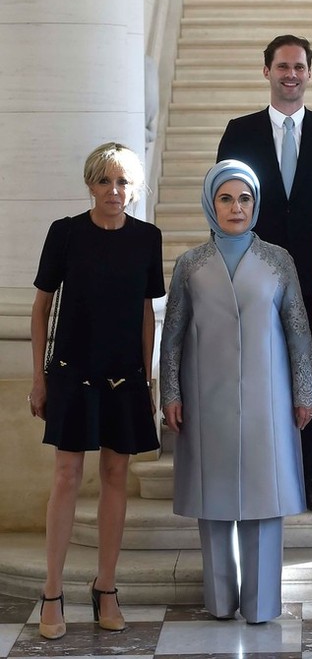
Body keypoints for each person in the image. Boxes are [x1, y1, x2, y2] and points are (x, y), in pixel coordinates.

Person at [160, 160, 312, 624]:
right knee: (214, 502)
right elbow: (171, 335)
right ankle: (220, 600)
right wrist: (170, 391)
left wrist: (304, 390)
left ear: (256, 203)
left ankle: (262, 604)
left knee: (265, 499)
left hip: (268, 396)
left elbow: (298, 331)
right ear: (211, 203)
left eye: (244, 198)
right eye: (226, 198)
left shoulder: (278, 259)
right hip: (205, 396)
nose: (236, 207)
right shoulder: (190, 264)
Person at [29, 142, 164, 639]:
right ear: (90, 183)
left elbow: (149, 311)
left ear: (135, 189)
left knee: (115, 473)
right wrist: (39, 378)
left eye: (124, 182)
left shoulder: (147, 237)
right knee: (66, 475)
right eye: (106, 180)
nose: (115, 190)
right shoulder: (64, 234)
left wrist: (147, 379)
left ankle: (106, 587)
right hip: (70, 370)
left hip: (124, 374)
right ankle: (52, 591)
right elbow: (41, 308)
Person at [216, 34, 312, 513]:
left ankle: (306, 475)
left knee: (307, 370)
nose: (290, 74)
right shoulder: (239, 130)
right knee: (254, 369)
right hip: (256, 269)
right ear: (267, 71)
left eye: (298, 66)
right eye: (282, 66)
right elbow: (225, 203)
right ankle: (256, 472)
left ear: (309, 73)